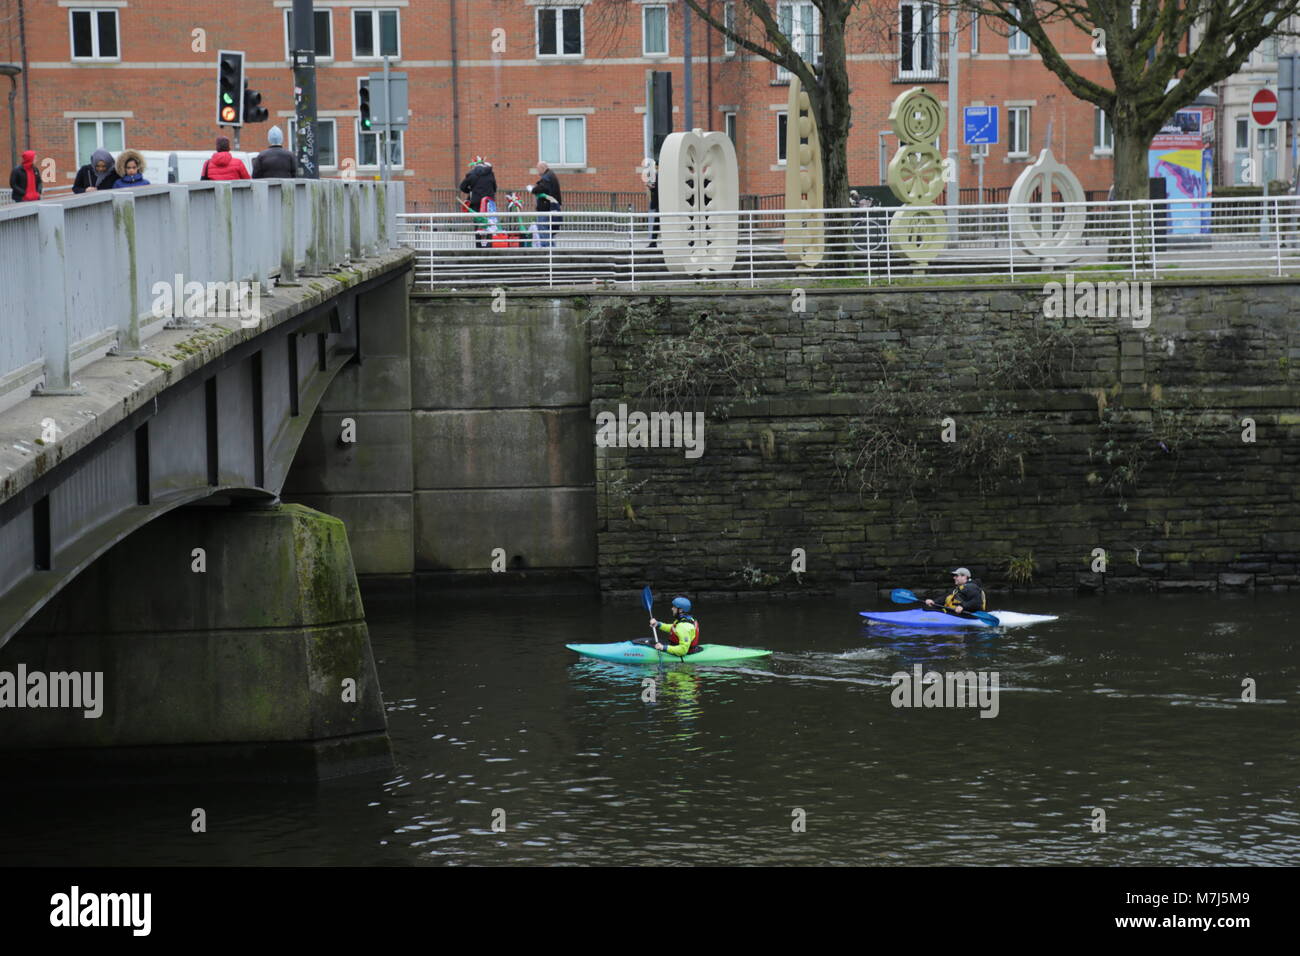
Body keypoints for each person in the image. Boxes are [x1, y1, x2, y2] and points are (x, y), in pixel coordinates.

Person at [637, 596, 701, 657]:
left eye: (674, 607)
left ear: (680, 610)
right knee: (647, 641)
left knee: (648, 644)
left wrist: (663, 647)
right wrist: (658, 624)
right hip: (675, 645)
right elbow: (674, 629)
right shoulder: (687, 619)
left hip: (682, 652)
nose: (672, 609)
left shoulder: (683, 627)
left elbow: (683, 650)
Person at [458, 156, 497, 248]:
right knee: (489, 224)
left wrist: (471, 191)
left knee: (478, 225)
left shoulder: (471, 174)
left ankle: (479, 246)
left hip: (476, 204)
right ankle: (488, 245)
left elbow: (462, 187)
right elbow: (494, 188)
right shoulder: (490, 174)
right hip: (488, 204)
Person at [526, 160, 562, 248]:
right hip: (552, 208)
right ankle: (552, 251)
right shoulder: (551, 176)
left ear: (543, 168)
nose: (537, 172)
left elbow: (542, 188)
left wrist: (532, 189)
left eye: (538, 169)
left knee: (544, 231)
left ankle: (547, 251)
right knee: (548, 233)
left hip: (546, 209)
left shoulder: (547, 177)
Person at [645, 158, 660, 249]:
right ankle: (653, 243)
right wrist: (651, 187)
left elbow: (657, 189)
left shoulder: (659, 175)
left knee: (657, 224)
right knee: (657, 224)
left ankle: (653, 243)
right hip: (660, 203)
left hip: (660, 203)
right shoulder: (658, 176)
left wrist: (651, 188)